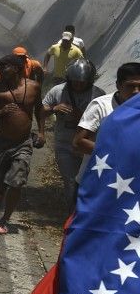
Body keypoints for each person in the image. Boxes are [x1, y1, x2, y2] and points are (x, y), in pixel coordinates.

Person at [0, 54, 46, 235]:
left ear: (17, 68)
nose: (1, 70)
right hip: (2, 142)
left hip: (23, 142)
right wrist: (1, 112)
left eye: (5, 66)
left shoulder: (34, 87)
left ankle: (4, 220)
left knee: (17, 181)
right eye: (0, 67)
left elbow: (40, 109)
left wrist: (41, 132)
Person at [42, 59, 103, 206]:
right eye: (75, 81)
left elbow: (106, 120)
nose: (79, 85)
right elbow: (42, 109)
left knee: (86, 181)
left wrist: (82, 117)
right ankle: (73, 212)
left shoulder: (98, 95)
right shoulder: (58, 90)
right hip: (64, 144)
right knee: (70, 180)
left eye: (83, 82)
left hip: (87, 146)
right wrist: (54, 109)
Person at [72, 63, 140, 184]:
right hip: (95, 184)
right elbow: (78, 142)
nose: (136, 91)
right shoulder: (101, 106)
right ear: (118, 85)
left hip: (128, 186)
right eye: (131, 86)